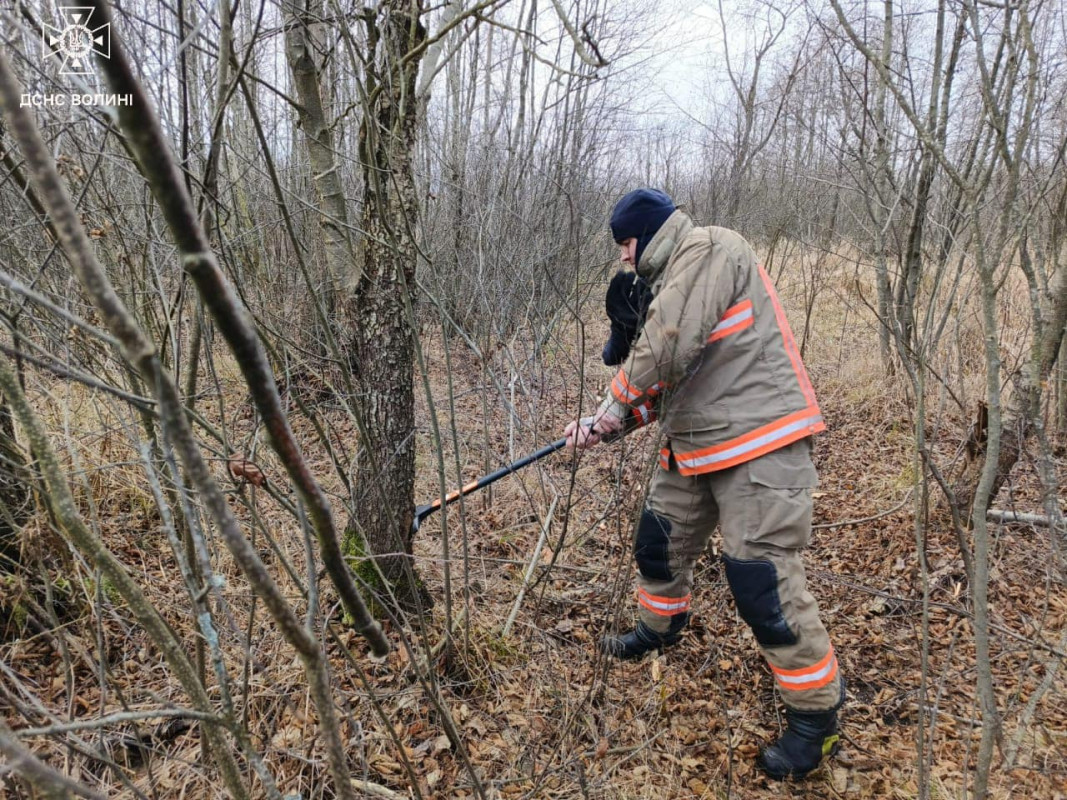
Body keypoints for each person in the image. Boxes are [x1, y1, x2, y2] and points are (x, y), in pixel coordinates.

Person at [565, 188, 845, 780]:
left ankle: (815, 722)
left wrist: (610, 404)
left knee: (761, 584)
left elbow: (665, 346)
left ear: (648, 231)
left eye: (624, 245)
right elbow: (665, 384)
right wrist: (604, 427)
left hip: (761, 443)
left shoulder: (712, 247)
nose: (622, 259)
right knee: (656, 544)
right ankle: (659, 630)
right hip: (696, 444)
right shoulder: (667, 284)